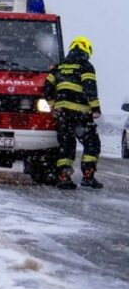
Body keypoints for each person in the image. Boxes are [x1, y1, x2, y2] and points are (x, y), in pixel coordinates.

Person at [44, 35, 103, 190]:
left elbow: (47, 88)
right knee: (92, 144)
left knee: (66, 146)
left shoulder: (59, 66)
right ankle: (88, 176)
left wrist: (53, 106)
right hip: (81, 115)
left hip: (62, 115)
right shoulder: (85, 66)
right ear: (86, 49)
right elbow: (90, 88)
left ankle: (64, 177)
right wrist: (96, 109)